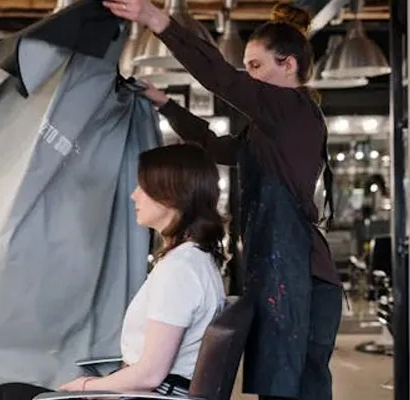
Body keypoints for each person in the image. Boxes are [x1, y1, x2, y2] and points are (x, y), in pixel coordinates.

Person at [102, 1, 343, 400]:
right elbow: (215, 147)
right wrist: (165, 104)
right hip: (283, 273)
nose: (249, 79)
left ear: (288, 65)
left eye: (255, 67)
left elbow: (221, 79)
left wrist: (157, 20)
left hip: (302, 278)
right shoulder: (266, 131)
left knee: (296, 390)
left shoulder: (293, 109)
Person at [0, 143, 227, 400]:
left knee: (7, 395)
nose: (134, 195)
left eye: (143, 187)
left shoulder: (180, 270)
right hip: (149, 393)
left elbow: (149, 375)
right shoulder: (194, 260)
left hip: (149, 396)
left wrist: (85, 387)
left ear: (171, 195)